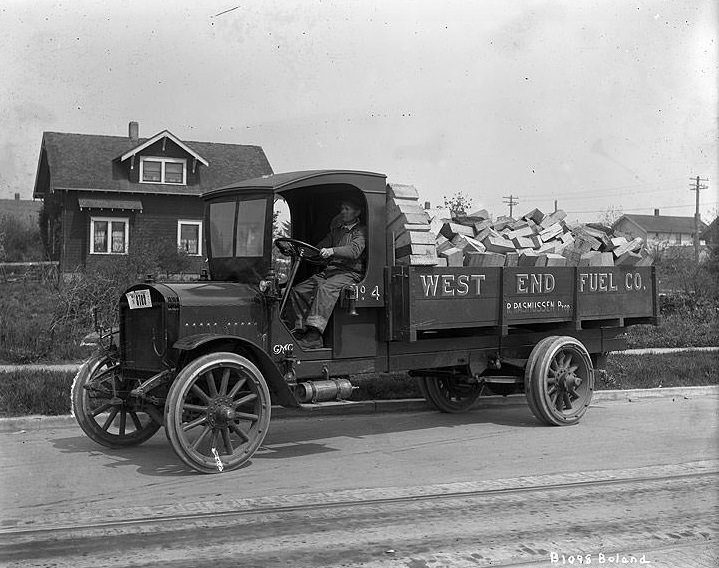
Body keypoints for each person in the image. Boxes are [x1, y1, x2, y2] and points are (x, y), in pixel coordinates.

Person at [287, 198, 366, 349]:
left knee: (325, 289)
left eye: (347, 209)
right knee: (298, 290)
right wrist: (300, 250)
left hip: (349, 273)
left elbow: (355, 250)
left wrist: (332, 251)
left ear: (357, 212)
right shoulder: (336, 232)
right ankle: (300, 330)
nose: (343, 211)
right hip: (331, 272)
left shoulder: (361, 231)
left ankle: (314, 336)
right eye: (342, 208)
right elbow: (320, 247)